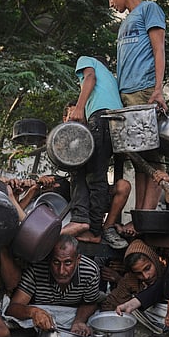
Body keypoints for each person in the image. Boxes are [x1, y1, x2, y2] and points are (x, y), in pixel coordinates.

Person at [104, 0, 167, 211]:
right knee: (139, 159)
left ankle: (146, 215)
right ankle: (139, 215)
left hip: (144, 90)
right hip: (126, 94)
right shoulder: (125, 23)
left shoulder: (149, 9)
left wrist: (158, 89)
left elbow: (158, 49)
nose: (111, 3)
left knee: (152, 157)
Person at [63, 56, 127, 250]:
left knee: (95, 177)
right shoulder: (111, 80)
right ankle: (85, 221)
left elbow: (90, 77)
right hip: (115, 123)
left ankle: (93, 231)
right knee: (90, 171)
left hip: (102, 118)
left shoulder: (86, 61)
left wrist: (80, 108)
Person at [5, 234, 101, 336]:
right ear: (49, 259)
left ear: (78, 260)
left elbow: (90, 303)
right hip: (39, 324)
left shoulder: (90, 271)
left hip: (74, 317)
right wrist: (33, 312)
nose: (61, 271)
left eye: (68, 263)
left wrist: (79, 321)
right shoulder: (37, 268)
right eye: (56, 262)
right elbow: (12, 308)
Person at [101, 239, 164, 311]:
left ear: (154, 260)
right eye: (138, 273)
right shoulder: (131, 279)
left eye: (147, 268)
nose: (146, 276)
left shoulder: (167, 274)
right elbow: (110, 303)